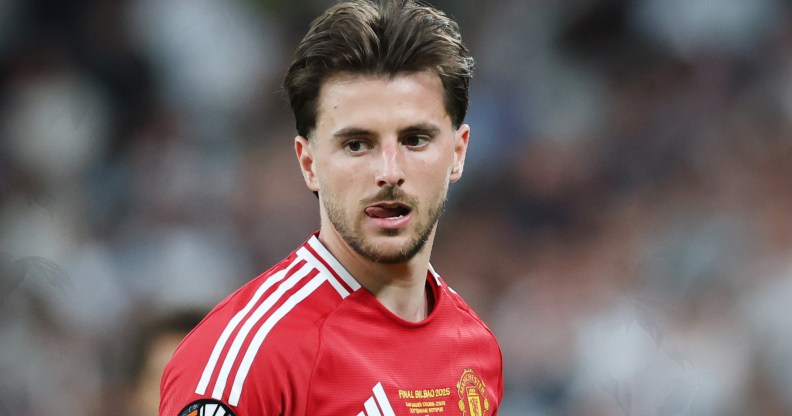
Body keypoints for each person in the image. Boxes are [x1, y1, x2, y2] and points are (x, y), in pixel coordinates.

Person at [159, 1, 503, 415]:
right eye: (357, 144)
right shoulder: (250, 359)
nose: (389, 172)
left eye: (415, 140)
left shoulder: (475, 348)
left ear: (458, 153)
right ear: (309, 164)